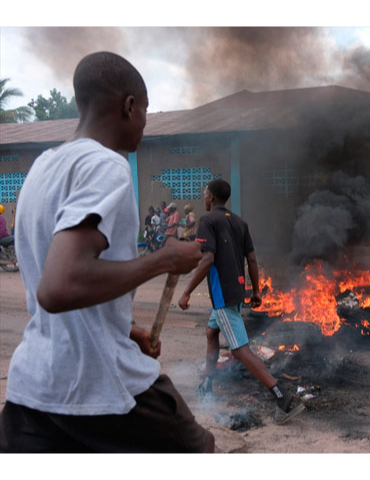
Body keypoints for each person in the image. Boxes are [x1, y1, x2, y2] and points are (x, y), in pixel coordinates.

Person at [0, 52, 214, 453]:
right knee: (199, 450)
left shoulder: (44, 168)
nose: (145, 126)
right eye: (145, 113)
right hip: (96, 383)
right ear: (129, 106)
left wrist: (123, 329)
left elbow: (59, 283)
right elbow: (59, 286)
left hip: (32, 389)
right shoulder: (107, 165)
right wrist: (164, 259)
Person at [178, 179, 305, 425]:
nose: (203, 198)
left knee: (240, 350)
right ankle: (208, 382)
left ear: (212, 197)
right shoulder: (240, 222)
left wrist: (186, 292)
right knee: (211, 332)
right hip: (237, 292)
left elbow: (207, 260)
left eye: (205, 194)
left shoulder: (207, 221)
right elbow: (252, 260)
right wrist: (256, 291)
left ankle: (282, 398)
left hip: (223, 297)